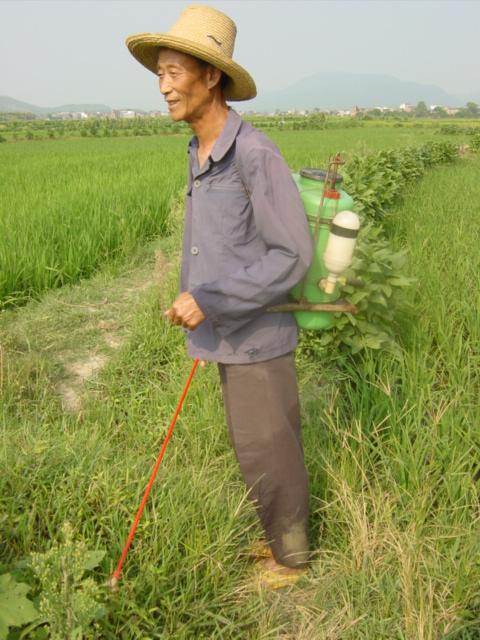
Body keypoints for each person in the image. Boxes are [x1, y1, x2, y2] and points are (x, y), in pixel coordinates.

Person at [126, 4, 313, 588]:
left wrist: (210, 297)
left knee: (269, 445)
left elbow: (292, 255)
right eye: (159, 73)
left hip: (257, 333)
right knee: (250, 443)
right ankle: (278, 538)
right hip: (228, 333)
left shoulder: (254, 154)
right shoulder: (198, 152)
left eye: (175, 72)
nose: (164, 86)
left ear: (212, 76)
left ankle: (293, 561)